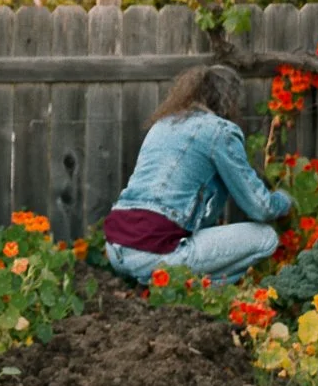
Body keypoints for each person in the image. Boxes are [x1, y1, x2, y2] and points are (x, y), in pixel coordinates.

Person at [102, 64, 289, 286]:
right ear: (230, 100)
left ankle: (152, 282)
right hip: (151, 253)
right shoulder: (220, 131)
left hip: (115, 249)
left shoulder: (163, 124)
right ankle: (193, 291)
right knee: (266, 238)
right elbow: (260, 207)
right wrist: (286, 201)